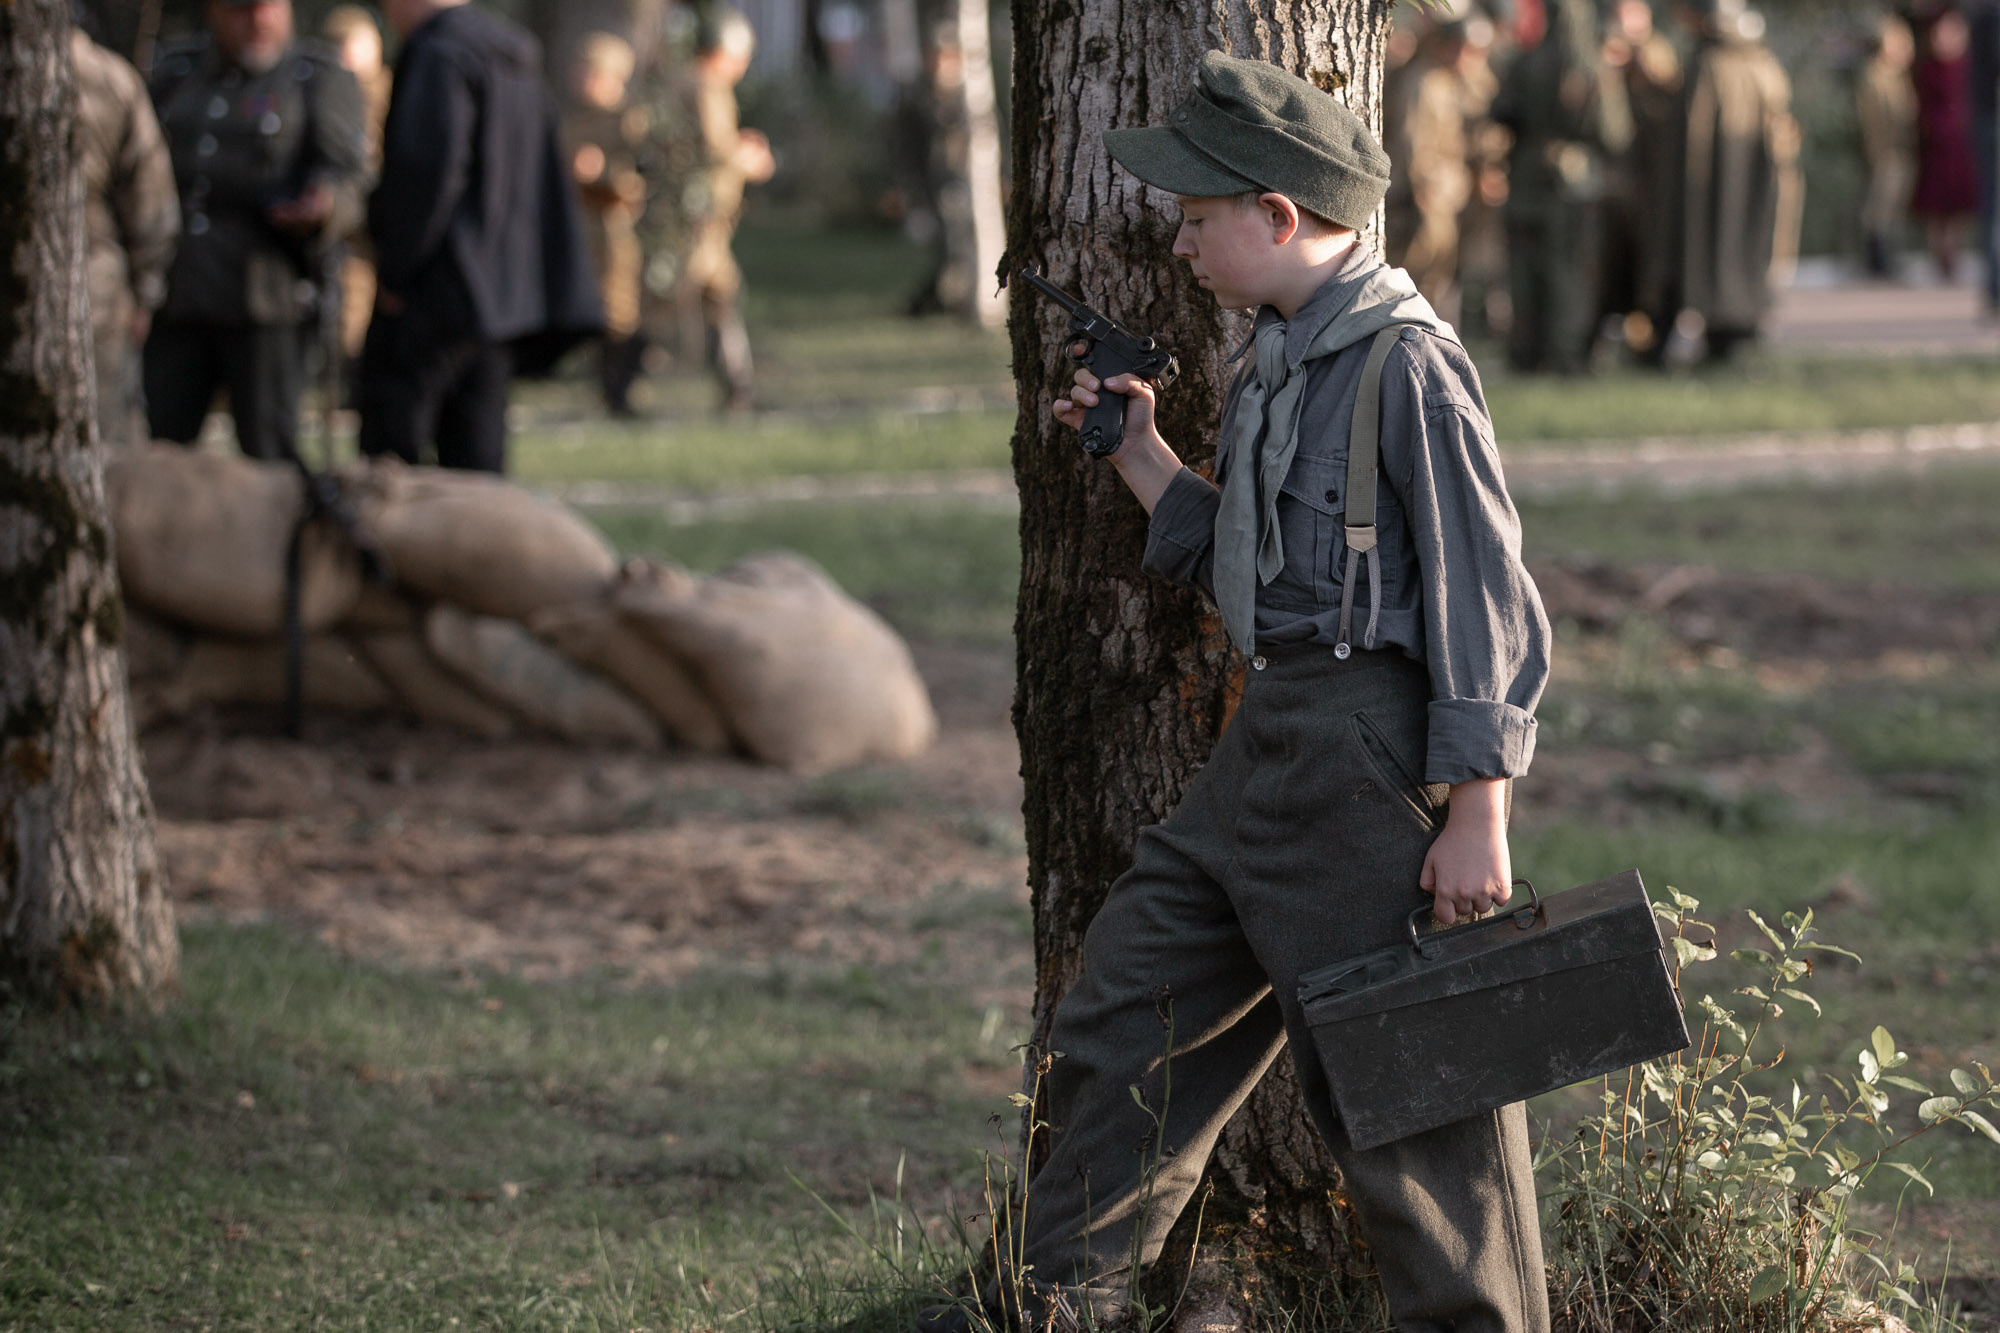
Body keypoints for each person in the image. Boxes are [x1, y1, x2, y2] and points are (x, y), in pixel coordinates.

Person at [924, 50, 1552, 1333]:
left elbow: (1485, 593)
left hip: (1363, 757)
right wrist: (1141, 453)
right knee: (1123, 1010)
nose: (1180, 238)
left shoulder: (1405, 367)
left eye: (1199, 216)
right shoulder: (1277, 354)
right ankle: (1057, 1305)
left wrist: (1478, 808)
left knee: (1405, 1090)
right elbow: (1263, 570)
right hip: (1268, 740)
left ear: (1277, 216)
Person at [360, 0, 604, 472]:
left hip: (437, 289)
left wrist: (395, 266)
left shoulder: (441, 53)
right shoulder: (511, 54)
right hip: (503, 294)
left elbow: (427, 171)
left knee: (391, 457)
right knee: (477, 457)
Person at [144, 0, 371, 460]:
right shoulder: (176, 73)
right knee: (160, 450)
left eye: (269, 8)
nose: (258, 21)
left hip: (266, 300)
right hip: (180, 294)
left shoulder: (314, 79)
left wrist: (324, 206)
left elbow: (351, 179)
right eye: (241, 10)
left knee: (270, 457)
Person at [1492, 0, 1632, 373]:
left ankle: (1525, 353)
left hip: (1525, 182)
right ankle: (1565, 356)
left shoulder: (1524, 61)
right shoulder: (1594, 69)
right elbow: (1615, 133)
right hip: (1572, 187)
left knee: (1525, 271)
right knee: (1568, 273)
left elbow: (1501, 112)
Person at [649, 5, 774, 413]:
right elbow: (712, 148)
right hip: (698, 216)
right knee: (675, 295)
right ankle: (625, 374)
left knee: (715, 294)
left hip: (699, 215)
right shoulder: (707, 84)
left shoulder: (689, 80)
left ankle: (738, 387)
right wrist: (749, 158)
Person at [1672, 0, 1799, 361]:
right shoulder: (1765, 62)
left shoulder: (1707, 65)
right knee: (1747, 251)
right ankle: (1742, 327)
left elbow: (1692, 144)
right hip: (1757, 187)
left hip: (1713, 188)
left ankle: (1725, 334)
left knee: (1718, 253)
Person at [72, 25, 180, 449]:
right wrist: (146, 289)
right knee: (105, 448)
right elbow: (152, 204)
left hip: (94, 297)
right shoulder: (108, 77)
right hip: (96, 292)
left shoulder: (107, 81)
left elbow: (150, 201)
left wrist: (146, 291)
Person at [565, 31, 651, 416]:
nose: (581, 78)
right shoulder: (572, 116)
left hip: (616, 226)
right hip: (578, 223)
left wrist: (604, 174)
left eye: (590, 70)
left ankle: (619, 391)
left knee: (621, 310)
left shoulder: (631, 120)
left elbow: (644, 176)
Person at [321, 4, 392, 364]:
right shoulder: (327, 95)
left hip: (384, 215)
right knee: (347, 303)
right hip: (344, 217)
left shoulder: (389, 90)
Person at [1913, 8, 1980, 282]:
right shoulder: (1928, 69)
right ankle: (1939, 253)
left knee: (1957, 203)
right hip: (1936, 142)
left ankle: (1953, 252)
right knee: (1936, 203)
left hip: (1961, 140)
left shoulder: (1968, 66)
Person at [1857, 15, 1918, 280]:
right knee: (1879, 209)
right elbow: (1875, 122)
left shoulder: (1899, 76)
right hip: (1887, 151)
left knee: (1892, 209)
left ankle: (1887, 259)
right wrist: (1879, 153)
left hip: (1901, 150)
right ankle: (1878, 262)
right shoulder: (1875, 76)